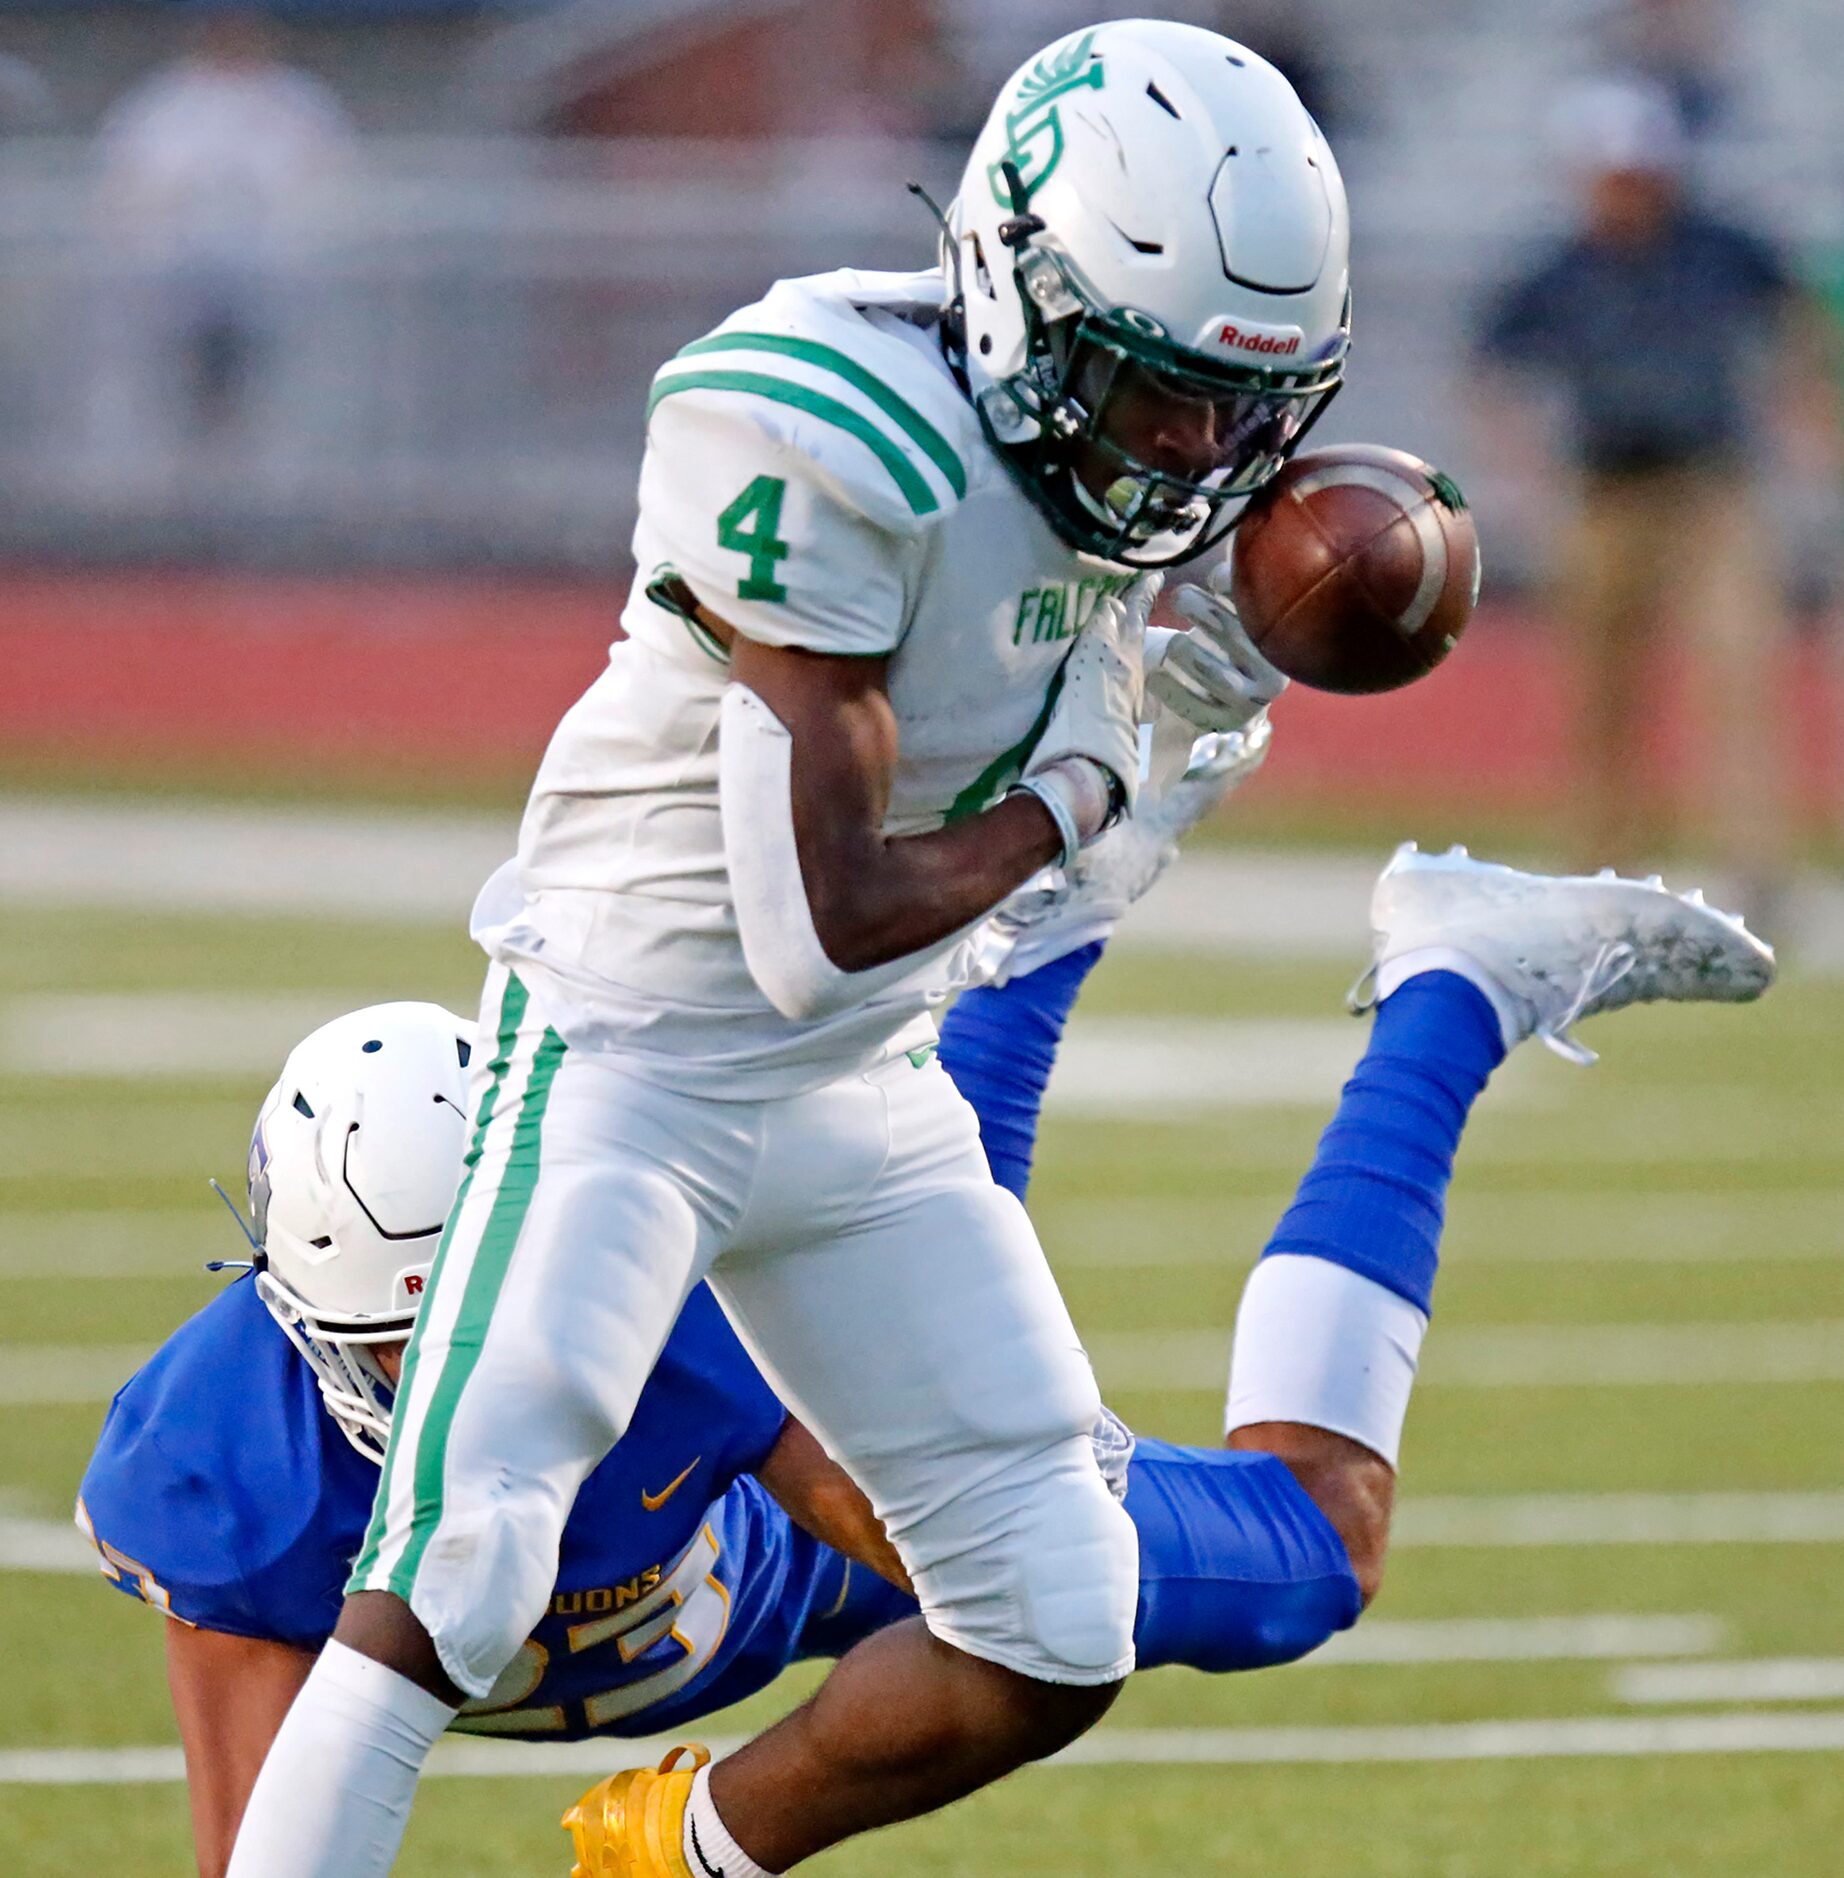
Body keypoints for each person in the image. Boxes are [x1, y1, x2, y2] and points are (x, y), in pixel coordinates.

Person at [225, 23, 1359, 1876]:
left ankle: (671, 1852)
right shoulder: (821, 423)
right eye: (1152, 389)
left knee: (1059, 1613)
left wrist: (1188, 719)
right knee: (460, 1566)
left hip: (857, 1093)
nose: (1191, 447)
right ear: (1013, 291)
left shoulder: (1109, 470)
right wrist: (1084, 790)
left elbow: (960, 925)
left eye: (1237, 406)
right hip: (635, 1056)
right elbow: (813, 931)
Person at [80, 801, 1773, 1876]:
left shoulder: (660, 1287)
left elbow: (991, 1590)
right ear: (292, 1311)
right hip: (704, 1562)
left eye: (466, 1315)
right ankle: (1114, 809)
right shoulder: (220, 1472)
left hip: (791, 1539)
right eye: (384, 1351)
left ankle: (1449, 985)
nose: (422, 1383)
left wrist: (709, 1837)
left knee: (1304, 1546)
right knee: (951, 1093)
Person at [1472, 75, 1839, 925]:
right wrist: (1525, 472)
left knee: (1740, 676)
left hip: (1710, 493)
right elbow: (1495, 372)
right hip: (1606, 494)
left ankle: (1756, 873)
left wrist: (1805, 419)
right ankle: (1601, 868)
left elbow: (1796, 327)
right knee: (1599, 694)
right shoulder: (1560, 270)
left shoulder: (1721, 251)